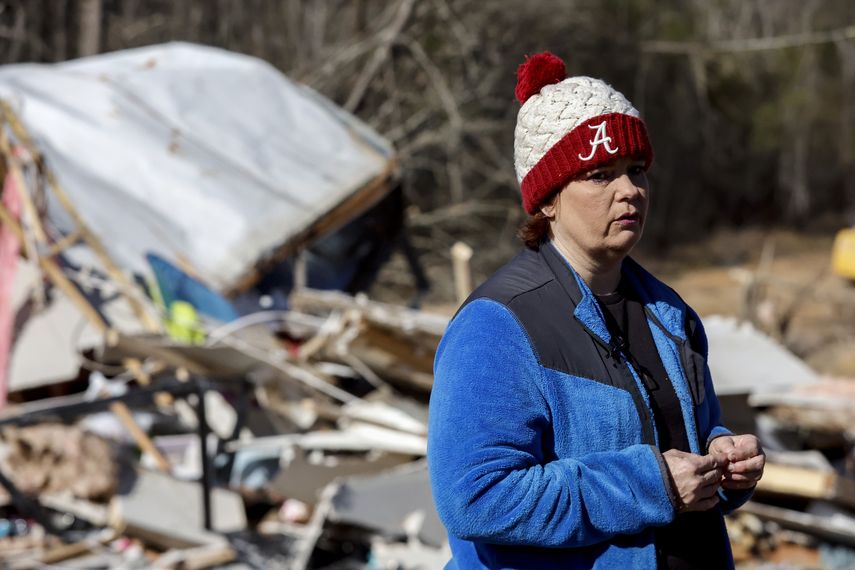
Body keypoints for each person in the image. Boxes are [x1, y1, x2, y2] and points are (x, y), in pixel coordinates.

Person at [427, 52, 765, 569]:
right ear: (547, 199)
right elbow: (476, 498)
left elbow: (688, 442)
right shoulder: (497, 326)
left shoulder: (670, 314)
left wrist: (723, 462)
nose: (630, 190)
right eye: (600, 175)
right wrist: (647, 484)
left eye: (636, 171)